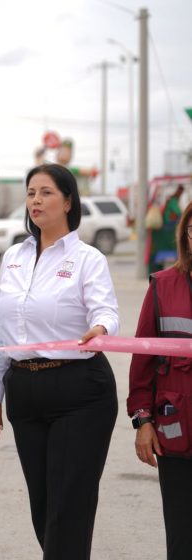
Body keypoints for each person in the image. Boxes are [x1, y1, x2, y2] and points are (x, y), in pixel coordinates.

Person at [0, 163, 120, 559]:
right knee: (43, 508)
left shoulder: (87, 258)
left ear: (68, 201)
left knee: (68, 508)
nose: (36, 201)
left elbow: (106, 311)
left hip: (79, 390)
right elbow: (2, 330)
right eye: (30, 193)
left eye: (45, 192)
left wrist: (102, 328)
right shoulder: (13, 257)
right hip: (24, 390)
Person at [128, 199, 192, 559]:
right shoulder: (163, 286)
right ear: (185, 236)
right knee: (182, 535)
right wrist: (143, 421)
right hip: (176, 428)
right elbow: (142, 360)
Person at [149, 184, 185, 273]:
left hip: (167, 227)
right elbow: (178, 213)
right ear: (179, 191)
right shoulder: (173, 200)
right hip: (168, 227)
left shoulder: (172, 199)